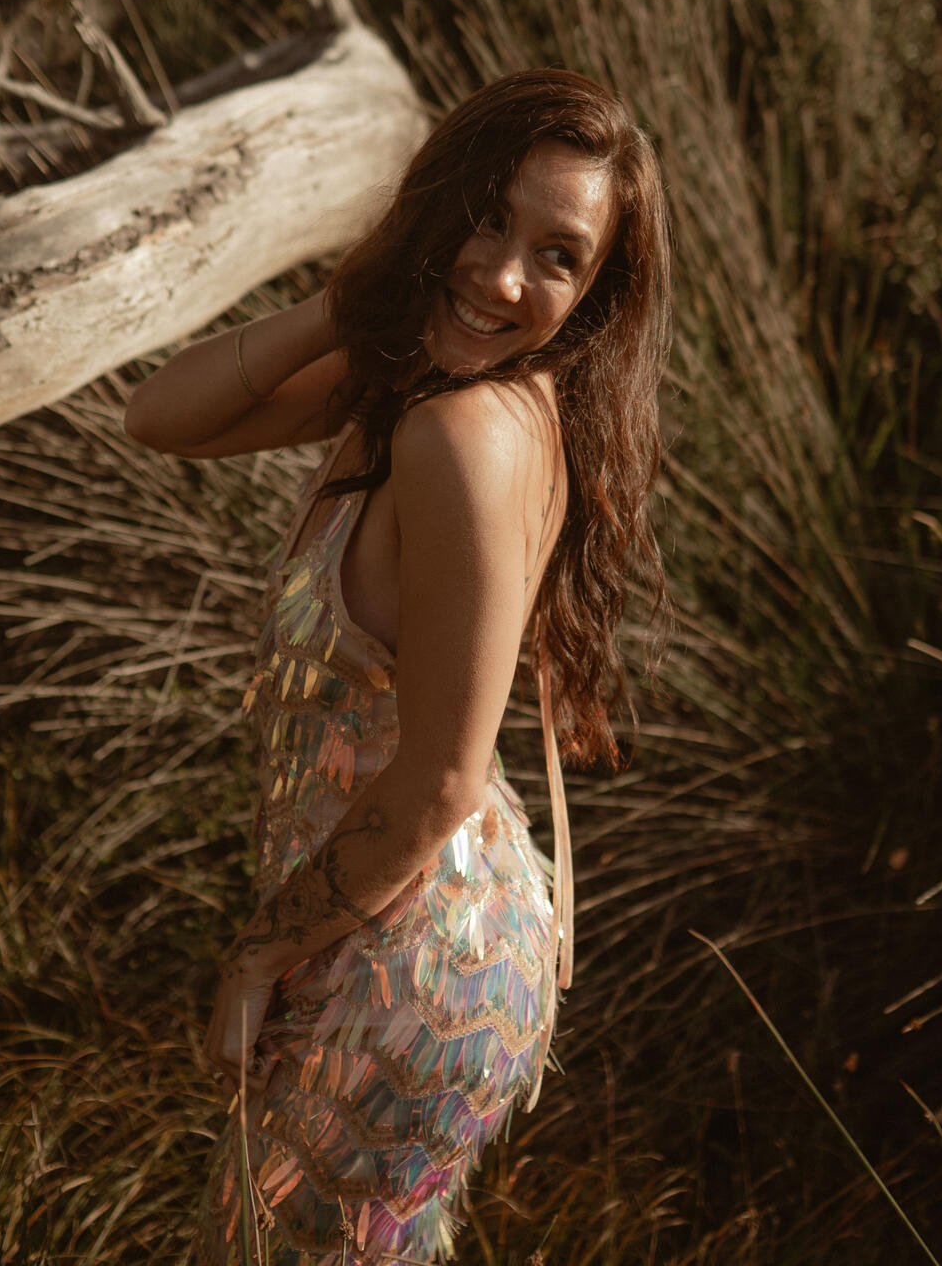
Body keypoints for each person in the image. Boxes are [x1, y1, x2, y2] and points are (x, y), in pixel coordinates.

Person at [123, 68, 673, 1264]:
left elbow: (439, 782)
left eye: (558, 257)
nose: (504, 276)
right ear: (435, 202)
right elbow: (160, 416)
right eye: (485, 217)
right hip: (410, 937)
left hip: (404, 963)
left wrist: (261, 952)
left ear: (593, 295)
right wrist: (358, 298)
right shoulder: (434, 390)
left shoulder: (460, 435)